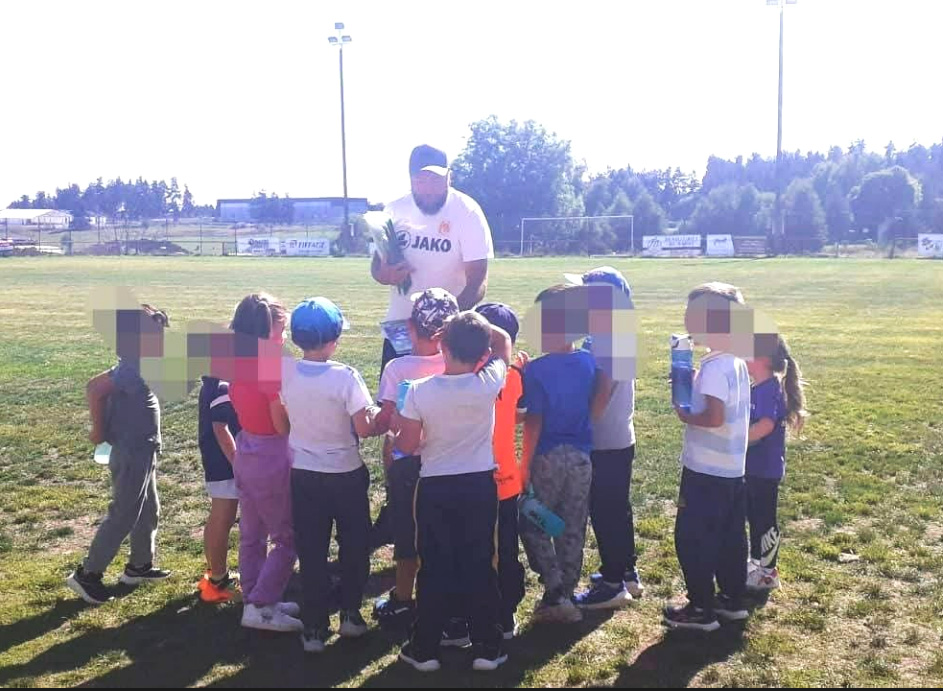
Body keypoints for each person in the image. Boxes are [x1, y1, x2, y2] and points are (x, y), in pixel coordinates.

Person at [394, 312, 512, 673]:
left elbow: (407, 446)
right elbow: (504, 342)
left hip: (435, 488)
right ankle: (487, 646)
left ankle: (425, 647)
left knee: (433, 566)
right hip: (479, 487)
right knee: (480, 564)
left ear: (442, 344)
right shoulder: (488, 381)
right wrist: (475, 325)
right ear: (482, 353)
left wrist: (397, 433)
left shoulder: (419, 391)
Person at [280, 297, 384, 653]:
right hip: (345, 474)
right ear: (333, 340)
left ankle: (314, 626)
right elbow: (364, 428)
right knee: (354, 546)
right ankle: (350, 615)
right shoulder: (345, 376)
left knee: (311, 551)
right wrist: (380, 416)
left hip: (303, 474)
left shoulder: (285, 372)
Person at [67, 305, 172, 605]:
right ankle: (88, 575)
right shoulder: (135, 364)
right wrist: (98, 430)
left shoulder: (137, 361)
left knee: (148, 508)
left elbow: (97, 385)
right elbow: (95, 389)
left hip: (143, 448)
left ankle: (139, 566)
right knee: (124, 512)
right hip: (132, 450)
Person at [664, 283, 752, 633]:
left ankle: (701, 608)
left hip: (704, 472)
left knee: (693, 538)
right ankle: (732, 600)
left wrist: (685, 415)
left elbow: (714, 417)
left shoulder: (715, 367)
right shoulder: (734, 362)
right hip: (732, 470)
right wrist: (692, 380)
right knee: (731, 537)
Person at [519, 286, 611, 625]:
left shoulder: (537, 370)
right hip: (581, 458)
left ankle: (554, 587)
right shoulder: (589, 362)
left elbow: (533, 420)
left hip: (547, 457)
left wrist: (524, 465)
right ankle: (567, 592)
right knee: (572, 525)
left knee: (532, 519)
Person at [372, 289, 459, 625]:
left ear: (410, 326)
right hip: (448, 460)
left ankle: (403, 598)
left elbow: (387, 420)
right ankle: (444, 601)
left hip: (407, 464)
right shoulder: (457, 365)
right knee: (444, 533)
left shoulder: (397, 368)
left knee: (407, 536)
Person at [372, 144, 494, 378]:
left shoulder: (467, 212)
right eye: (420, 180)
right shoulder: (394, 210)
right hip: (401, 328)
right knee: (396, 398)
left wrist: (447, 322)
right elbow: (377, 266)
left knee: (443, 399)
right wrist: (384, 275)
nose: (428, 189)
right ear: (410, 180)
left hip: (450, 336)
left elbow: (478, 281)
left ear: (449, 177)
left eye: (435, 180)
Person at [228, 293, 301, 633]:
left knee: (252, 534)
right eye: (280, 331)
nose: (283, 338)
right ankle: (262, 604)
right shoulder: (269, 367)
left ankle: (254, 597)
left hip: (246, 450)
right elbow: (280, 425)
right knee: (288, 538)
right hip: (272, 455)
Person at [573, 267, 643, 610]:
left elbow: (602, 395)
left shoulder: (610, 338)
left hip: (605, 440)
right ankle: (626, 572)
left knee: (605, 511)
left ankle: (614, 583)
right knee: (617, 508)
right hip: (617, 437)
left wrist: (579, 428)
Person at [475, 302, 528, 640]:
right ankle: (505, 614)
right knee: (506, 550)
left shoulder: (467, 379)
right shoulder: (515, 377)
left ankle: (473, 616)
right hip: (507, 483)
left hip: (475, 483)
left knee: (474, 550)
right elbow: (520, 413)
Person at [745, 334, 807, 592]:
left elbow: (765, 426)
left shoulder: (770, 389)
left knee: (765, 522)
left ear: (761, 358)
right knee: (752, 516)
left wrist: (736, 440)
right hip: (752, 468)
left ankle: (769, 572)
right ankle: (756, 563)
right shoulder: (757, 387)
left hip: (765, 469)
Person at [196, 375, 241, 603]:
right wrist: (237, 462)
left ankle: (214, 573)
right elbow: (220, 428)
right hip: (224, 463)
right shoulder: (222, 385)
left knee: (219, 517)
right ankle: (218, 581)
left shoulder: (212, 382)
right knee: (223, 517)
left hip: (218, 460)